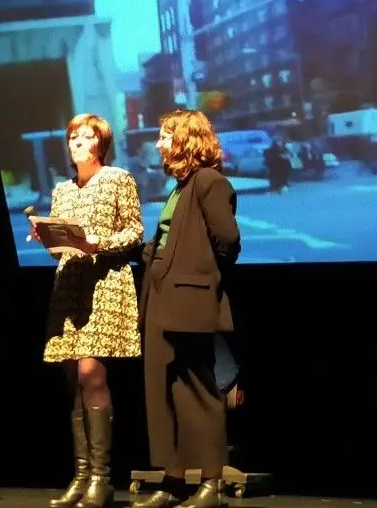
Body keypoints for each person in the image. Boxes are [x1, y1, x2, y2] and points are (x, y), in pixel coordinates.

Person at [30, 113, 144, 508]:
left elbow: (135, 231)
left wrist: (99, 241)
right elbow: (59, 250)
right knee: (72, 380)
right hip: (69, 286)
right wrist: (48, 237)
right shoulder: (62, 189)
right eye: (73, 137)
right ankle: (80, 476)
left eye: (87, 137)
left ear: (101, 144)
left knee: (90, 372)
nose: (78, 142)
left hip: (105, 283)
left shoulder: (118, 179)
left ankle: (101, 478)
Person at [134, 109, 241, 508]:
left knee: (197, 387)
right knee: (163, 387)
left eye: (166, 135)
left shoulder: (210, 182)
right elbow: (167, 239)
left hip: (188, 296)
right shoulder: (180, 187)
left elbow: (227, 241)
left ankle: (211, 480)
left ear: (185, 140)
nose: (159, 142)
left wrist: (196, 278)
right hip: (160, 293)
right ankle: (172, 481)